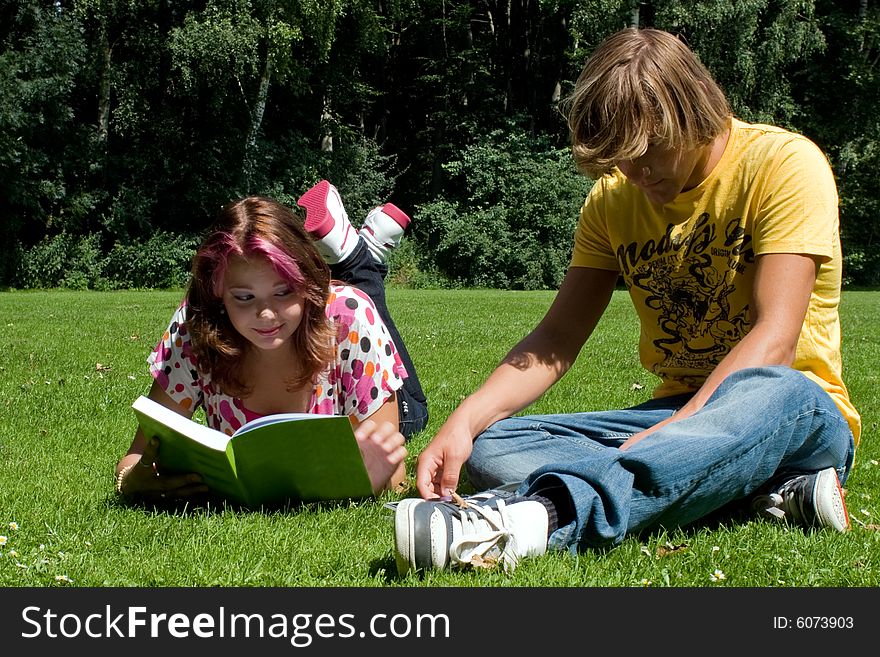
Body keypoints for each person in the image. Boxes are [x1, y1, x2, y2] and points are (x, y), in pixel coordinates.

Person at [392, 27, 861, 574]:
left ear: (690, 111)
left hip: (794, 410)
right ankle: (760, 492)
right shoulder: (612, 200)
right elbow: (556, 339)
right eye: (620, 161)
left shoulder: (784, 165)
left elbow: (775, 338)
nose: (636, 176)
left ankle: (531, 522)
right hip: (676, 409)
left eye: (648, 154)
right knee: (496, 447)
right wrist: (464, 423)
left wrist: (675, 429)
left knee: (773, 392)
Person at [115, 181, 428, 502]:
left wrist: (370, 480)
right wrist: (130, 481)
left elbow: (396, 474)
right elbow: (134, 459)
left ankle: (362, 261)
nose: (266, 315)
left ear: (306, 281)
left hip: (396, 405)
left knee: (367, 302)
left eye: (283, 292)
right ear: (217, 293)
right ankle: (361, 254)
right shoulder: (195, 327)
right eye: (244, 297)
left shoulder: (349, 317)